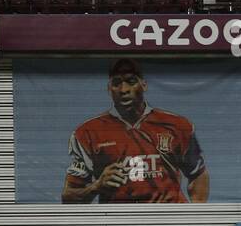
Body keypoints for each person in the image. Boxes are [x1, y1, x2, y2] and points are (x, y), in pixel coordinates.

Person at [62, 58, 209, 204]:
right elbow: (68, 197)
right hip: (120, 223)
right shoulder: (87, 133)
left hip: (168, 221)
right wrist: (96, 186)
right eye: (117, 83)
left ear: (144, 85)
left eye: (131, 81)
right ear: (109, 89)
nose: (124, 90)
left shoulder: (177, 125)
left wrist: (196, 217)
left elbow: (198, 175)